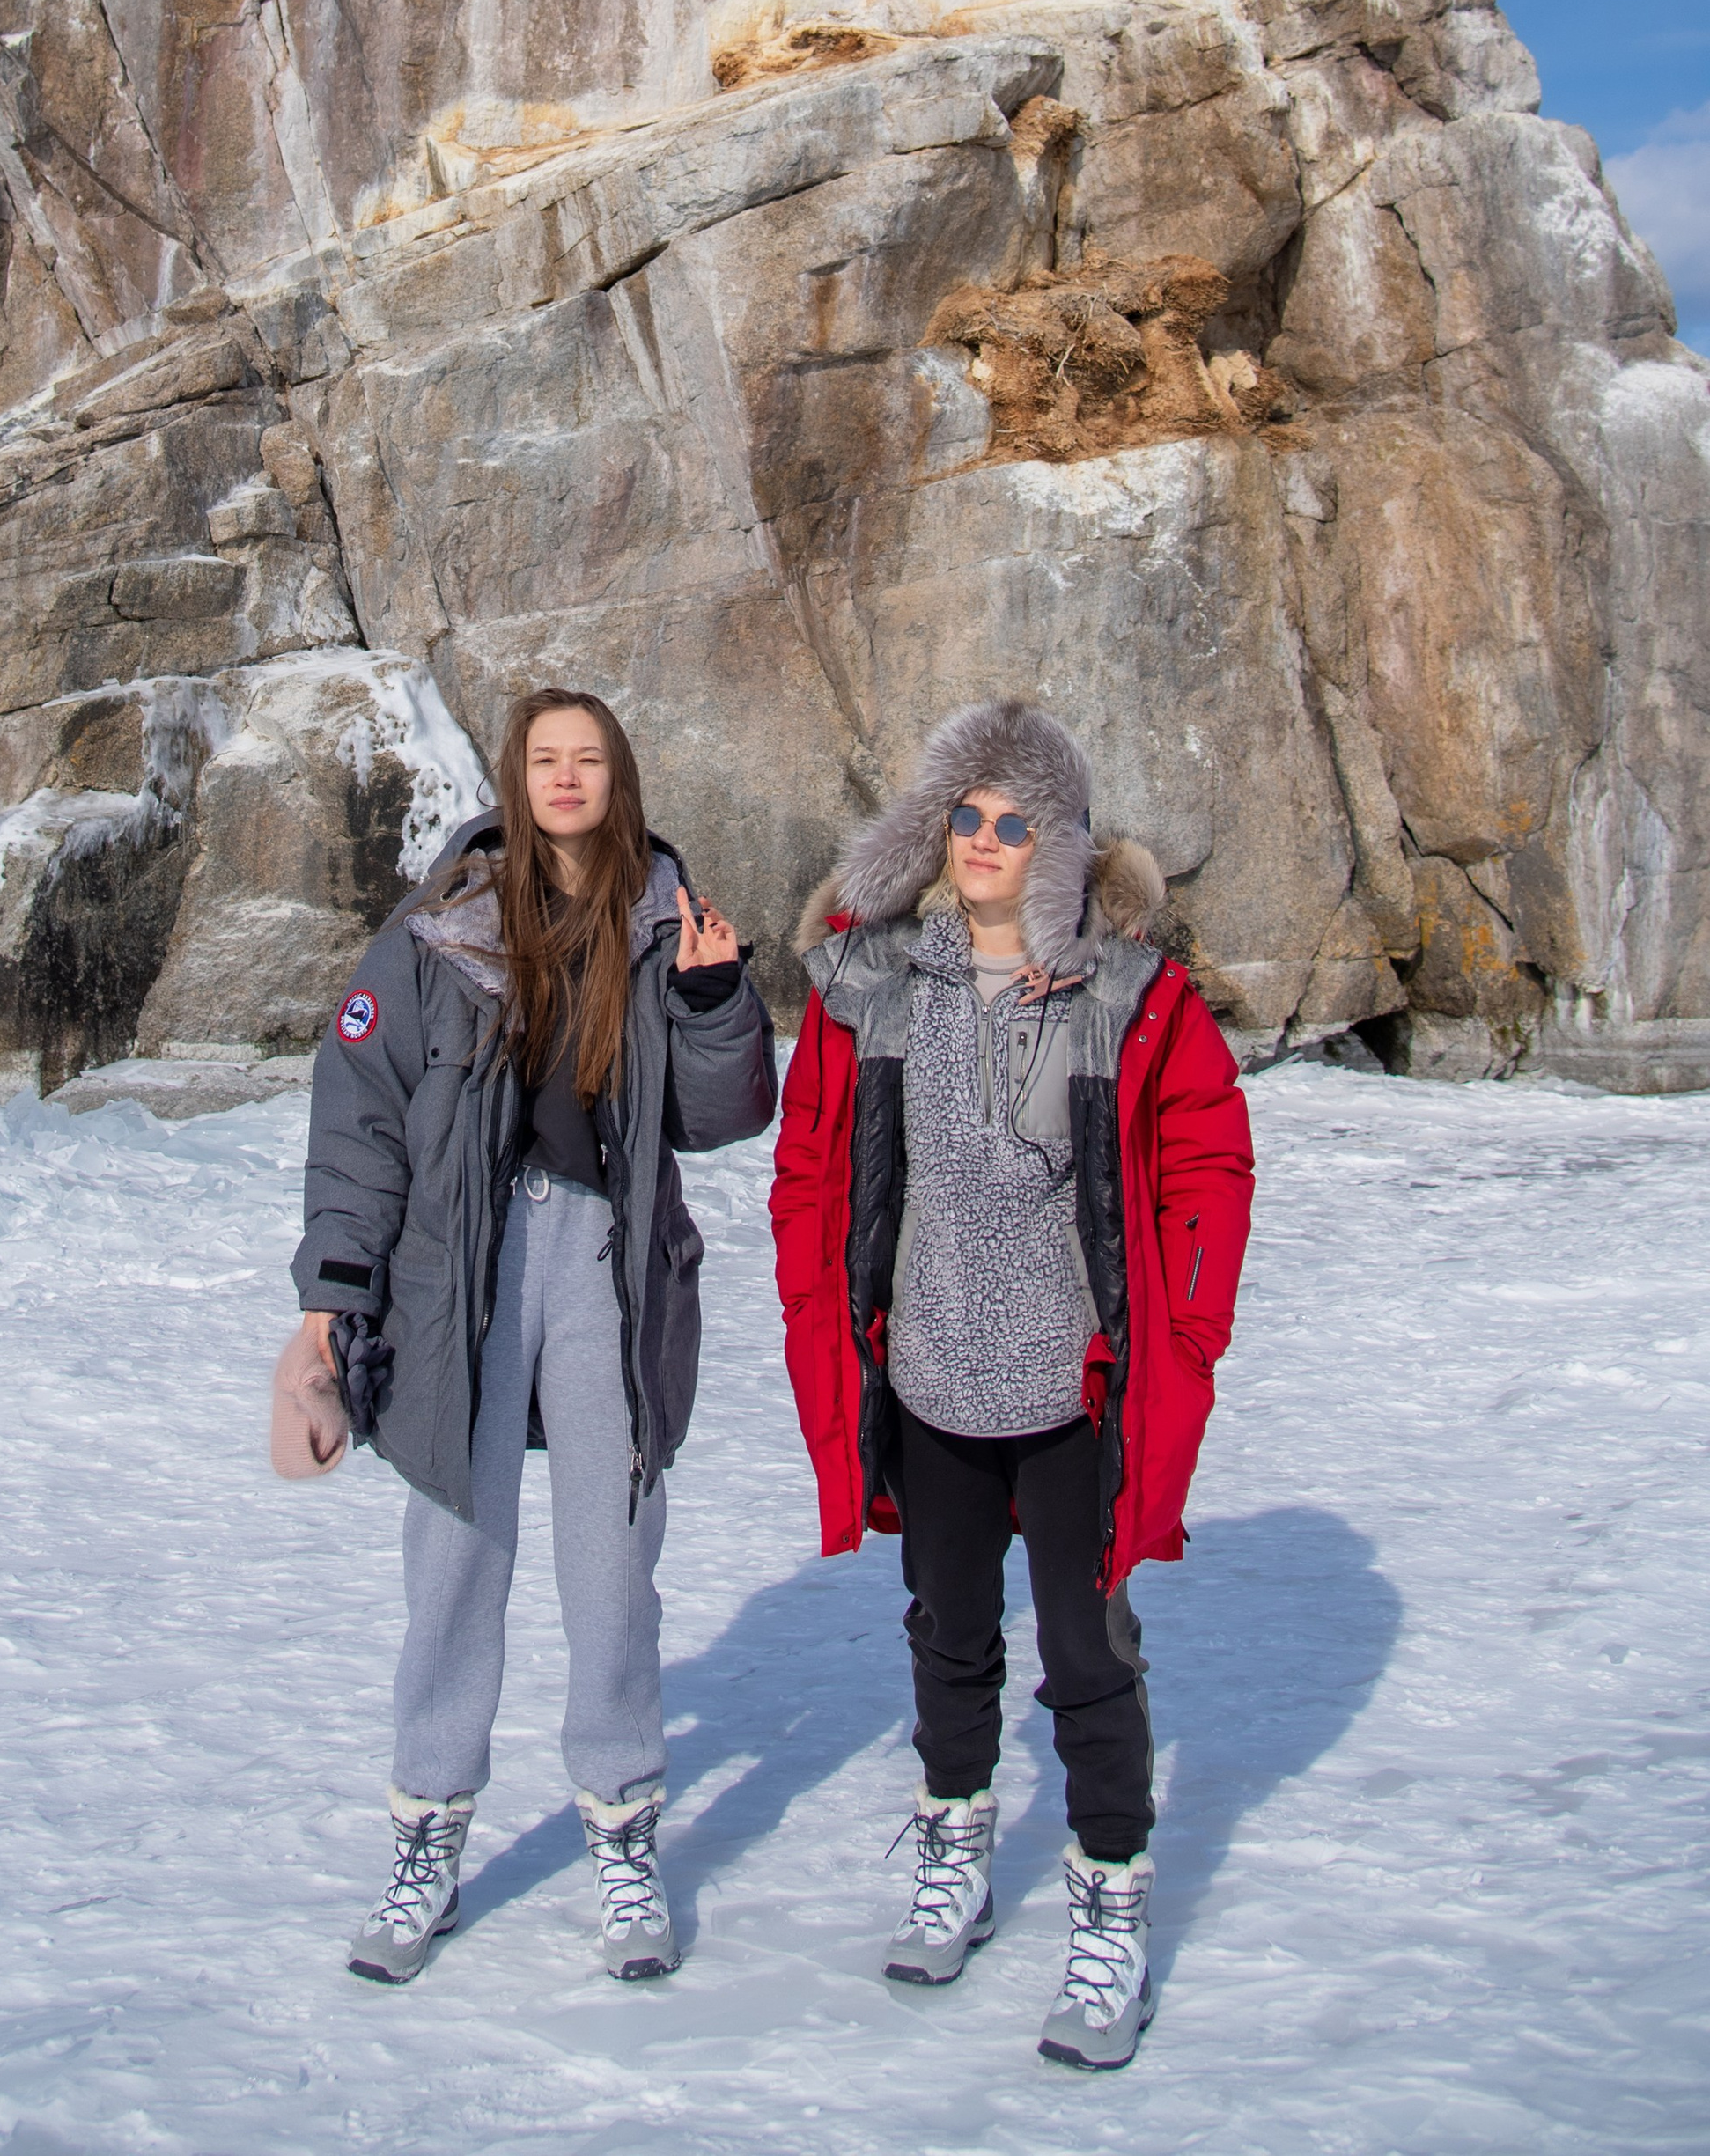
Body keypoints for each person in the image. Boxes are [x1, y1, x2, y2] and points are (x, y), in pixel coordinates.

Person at [769, 700, 1254, 2069]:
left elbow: (1209, 1154)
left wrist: (1188, 1319)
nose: (983, 840)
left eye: (1014, 821)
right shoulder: (878, 982)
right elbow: (814, 1159)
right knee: (948, 1632)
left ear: (1061, 844)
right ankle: (955, 1849)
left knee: (1088, 1654)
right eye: (965, 815)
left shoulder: (1123, 992)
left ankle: (1109, 1905)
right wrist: (819, 1295)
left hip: (1072, 1388)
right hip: (930, 1373)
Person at [292, 686, 777, 1985]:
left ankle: (623, 1829)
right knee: (457, 1549)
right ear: (516, 776)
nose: (567, 778)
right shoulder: (442, 922)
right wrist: (338, 1286)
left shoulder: (665, 916)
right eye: (546, 758)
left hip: (607, 1265)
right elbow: (361, 1111)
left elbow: (724, 1118)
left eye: (589, 758)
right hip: (469, 1262)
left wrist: (717, 998)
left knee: (613, 1560)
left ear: (620, 776)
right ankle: (427, 1835)